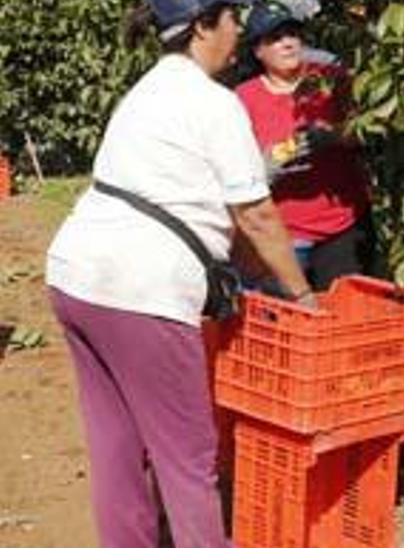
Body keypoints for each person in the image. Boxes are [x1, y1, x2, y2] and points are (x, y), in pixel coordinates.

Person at [43, 0, 313, 545]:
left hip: (75, 275)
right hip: (143, 289)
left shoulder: (146, 92)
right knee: (188, 457)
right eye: (232, 17)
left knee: (116, 446)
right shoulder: (214, 103)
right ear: (201, 27)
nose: (239, 29)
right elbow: (256, 215)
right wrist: (303, 295)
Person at [234, 0, 375, 290]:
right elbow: (235, 167)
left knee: (340, 313)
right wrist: (266, 163)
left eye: (292, 34)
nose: (287, 43)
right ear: (258, 51)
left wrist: (333, 135)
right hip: (285, 235)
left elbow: (369, 129)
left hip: (340, 227)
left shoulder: (330, 79)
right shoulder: (244, 98)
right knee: (293, 317)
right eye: (275, 38)